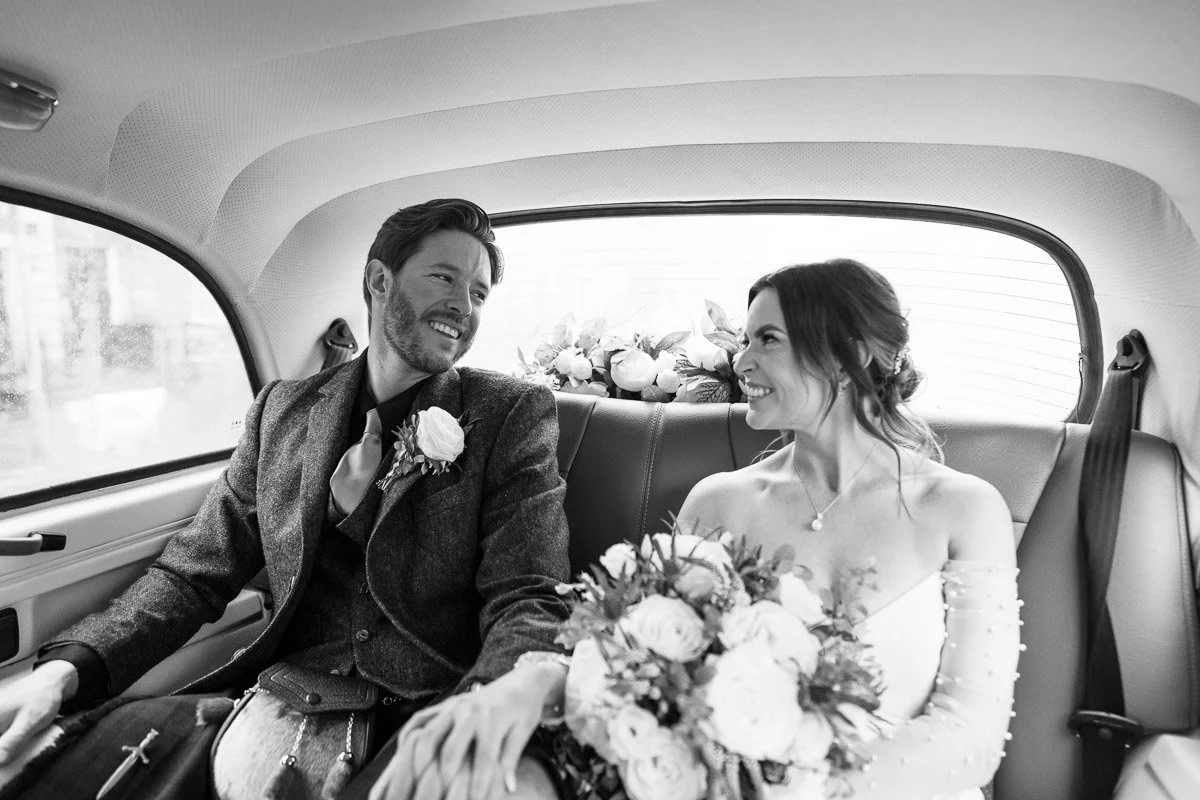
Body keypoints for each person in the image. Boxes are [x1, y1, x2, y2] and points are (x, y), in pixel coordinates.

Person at [0, 199, 571, 800]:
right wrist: (68, 671)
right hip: (277, 690)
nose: (463, 304)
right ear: (380, 280)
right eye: (444, 277)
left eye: (479, 293)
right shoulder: (282, 410)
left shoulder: (509, 414)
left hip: (425, 708)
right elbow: (194, 570)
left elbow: (530, 596)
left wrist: (480, 716)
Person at [675, 259, 1021, 799]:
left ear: (849, 356)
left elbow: (971, 735)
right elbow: (670, 684)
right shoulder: (716, 503)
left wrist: (804, 787)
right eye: (744, 341)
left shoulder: (966, 510)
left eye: (767, 340)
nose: (740, 362)